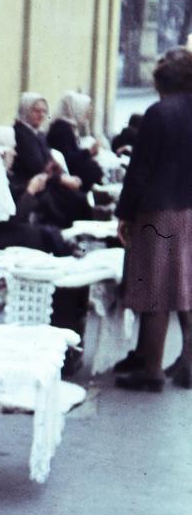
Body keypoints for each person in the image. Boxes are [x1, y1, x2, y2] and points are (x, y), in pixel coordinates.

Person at [114, 51, 192, 391]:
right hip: (188, 210)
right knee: (185, 287)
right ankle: (188, 365)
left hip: (158, 210)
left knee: (157, 290)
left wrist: (124, 214)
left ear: (162, 83)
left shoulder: (158, 113)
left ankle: (152, 370)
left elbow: (139, 172)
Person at [0, 125, 69, 260]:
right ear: (1, 151)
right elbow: (10, 220)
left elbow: (12, 196)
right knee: (39, 236)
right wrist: (30, 191)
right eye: (12, 148)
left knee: (45, 233)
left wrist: (43, 178)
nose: (15, 153)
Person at [12, 93, 90, 226]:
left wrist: (56, 171)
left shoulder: (38, 133)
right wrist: (61, 178)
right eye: (36, 111)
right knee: (71, 200)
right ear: (25, 110)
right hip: (29, 186)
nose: (41, 115)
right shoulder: (20, 133)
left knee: (78, 197)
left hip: (47, 182)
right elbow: (36, 166)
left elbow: (47, 162)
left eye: (44, 111)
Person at [47, 91, 104, 196]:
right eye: (86, 111)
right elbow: (68, 158)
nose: (88, 114)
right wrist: (89, 152)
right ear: (76, 109)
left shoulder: (69, 126)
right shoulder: (62, 128)